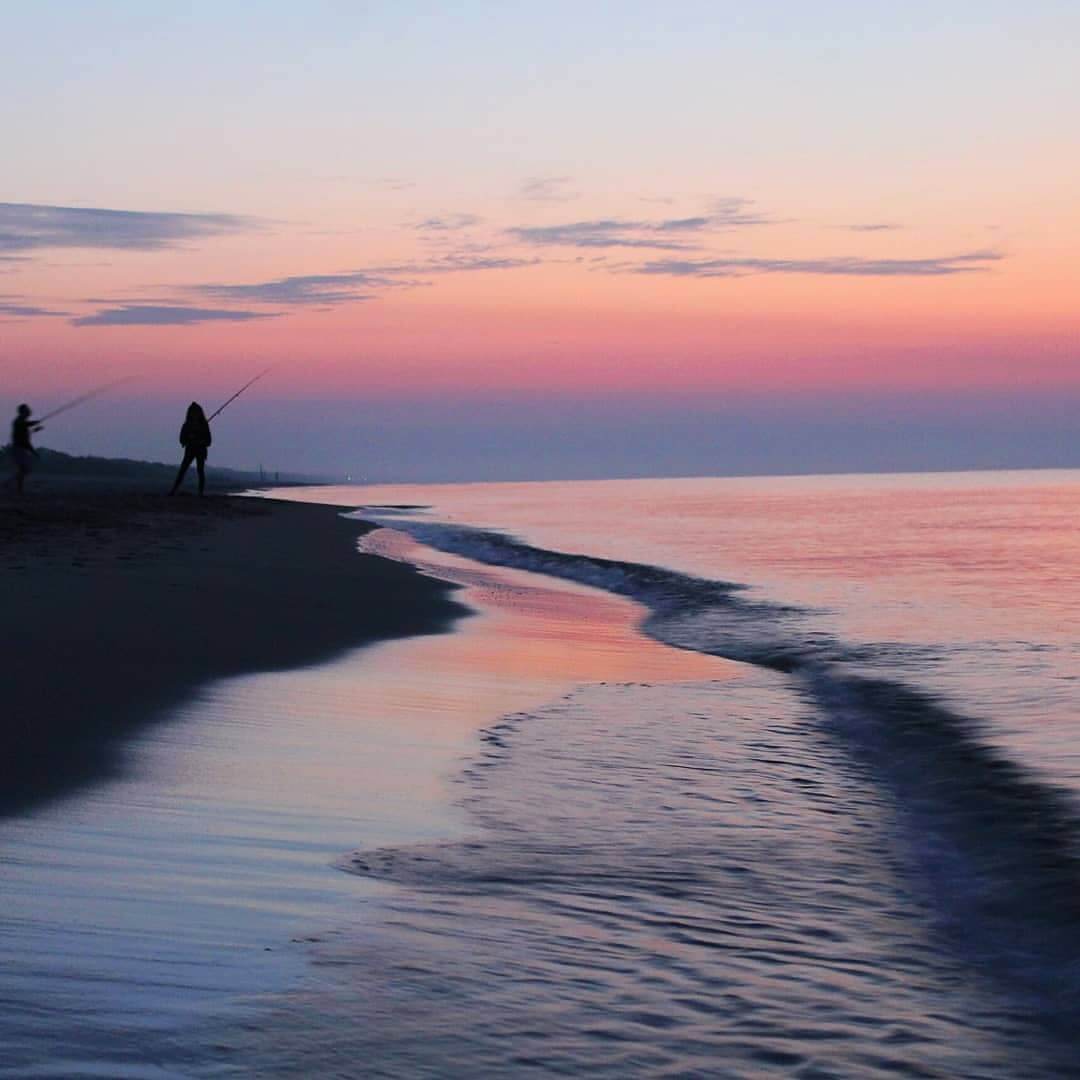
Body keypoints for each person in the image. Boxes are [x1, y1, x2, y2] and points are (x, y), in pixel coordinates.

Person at [169, 402, 212, 496]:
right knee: (183, 470)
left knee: (200, 471)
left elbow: (209, 441)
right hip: (190, 450)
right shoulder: (187, 425)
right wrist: (189, 439)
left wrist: (200, 442)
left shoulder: (204, 425)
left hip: (200, 451)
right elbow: (182, 439)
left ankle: (200, 493)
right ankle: (173, 490)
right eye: (193, 412)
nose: (195, 414)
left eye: (196, 412)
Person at [9, 404, 43, 494]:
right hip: (19, 449)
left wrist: (35, 428)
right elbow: (24, 436)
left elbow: (26, 432)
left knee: (24, 469)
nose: (29, 411)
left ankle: (15, 486)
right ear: (23, 412)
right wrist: (33, 451)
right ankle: (16, 487)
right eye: (27, 410)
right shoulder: (18, 422)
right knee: (24, 469)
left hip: (20, 449)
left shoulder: (20, 422)